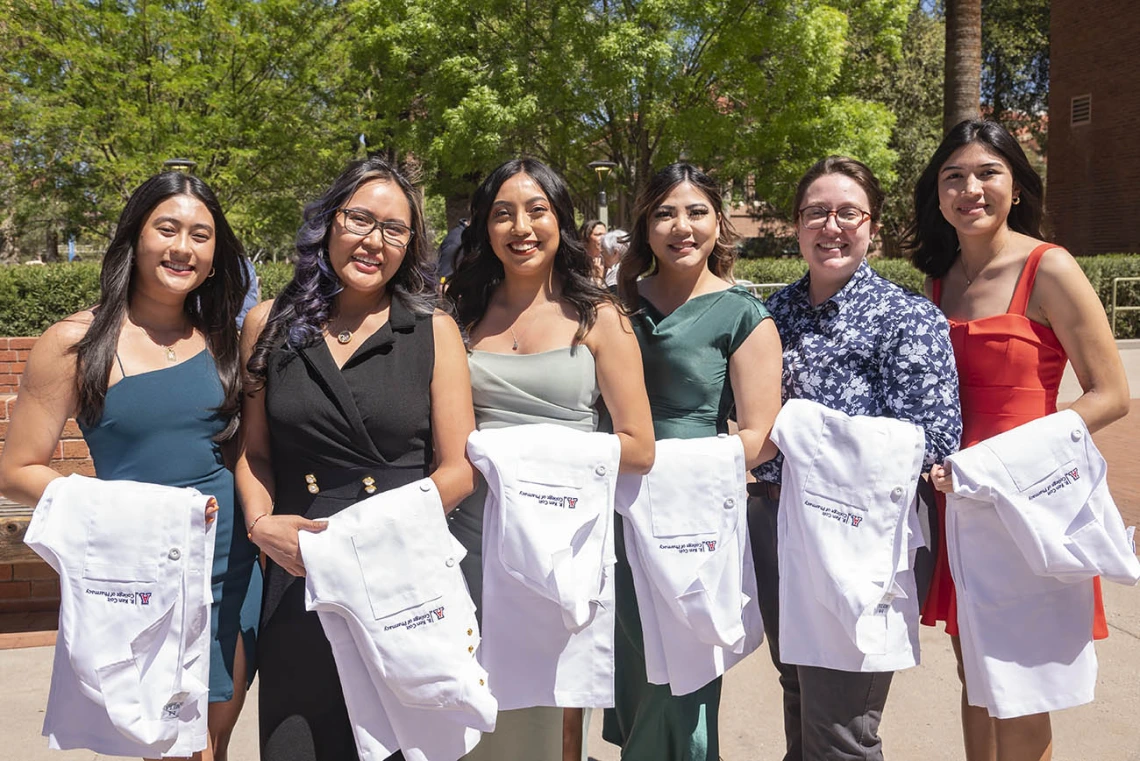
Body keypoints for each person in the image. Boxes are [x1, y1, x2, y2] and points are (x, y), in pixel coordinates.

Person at [0, 171, 260, 761]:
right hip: (142, 577)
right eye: (166, 229)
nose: (183, 248)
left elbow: (244, 448)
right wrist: (135, 510)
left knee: (211, 746)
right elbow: (17, 470)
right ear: (134, 239)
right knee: (167, 748)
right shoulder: (76, 341)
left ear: (217, 257)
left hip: (233, 568)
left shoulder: (225, 338)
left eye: (201, 235)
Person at [236, 156, 478, 761]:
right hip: (299, 571)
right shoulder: (269, 324)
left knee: (405, 747)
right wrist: (262, 526)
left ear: (411, 245)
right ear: (329, 222)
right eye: (360, 219)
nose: (375, 241)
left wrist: (372, 535)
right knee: (301, 743)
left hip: (402, 573)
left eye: (395, 230)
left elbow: (458, 469)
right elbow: (253, 449)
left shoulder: (431, 330)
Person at [908, 120, 1130, 761]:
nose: (969, 188)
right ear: (937, 193)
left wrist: (1003, 462)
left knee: (1024, 685)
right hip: (956, 505)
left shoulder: (1049, 266)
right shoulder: (935, 281)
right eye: (953, 176)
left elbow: (1110, 394)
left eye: (987, 173)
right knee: (975, 678)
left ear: (1016, 185)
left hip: (1027, 499)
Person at [750, 156, 962, 761]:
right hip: (774, 525)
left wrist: (800, 433)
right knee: (800, 696)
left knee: (842, 730)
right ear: (797, 226)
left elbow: (933, 437)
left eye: (848, 212)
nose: (831, 225)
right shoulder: (772, 315)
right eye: (816, 212)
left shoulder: (906, 318)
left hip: (861, 542)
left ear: (872, 226)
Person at [445, 158, 655, 761]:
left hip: (560, 547)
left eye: (537, 210)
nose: (521, 226)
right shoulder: (455, 314)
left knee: (549, 714)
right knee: (471, 712)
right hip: (471, 544)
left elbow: (639, 447)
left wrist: (529, 458)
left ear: (561, 221)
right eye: (503, 213)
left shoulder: (599, 317)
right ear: (484, 227)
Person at [604, 163, 782, 761]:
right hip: (615, 513)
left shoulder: (741, 314)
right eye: (665, 213)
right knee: (633, 666)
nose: (682, 226)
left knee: (681, 674)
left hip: (690, 517)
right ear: (645, 226)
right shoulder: (613, 305)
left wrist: (686, 469)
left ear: (717, 223)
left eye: (696, 211)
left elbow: (763, 435)